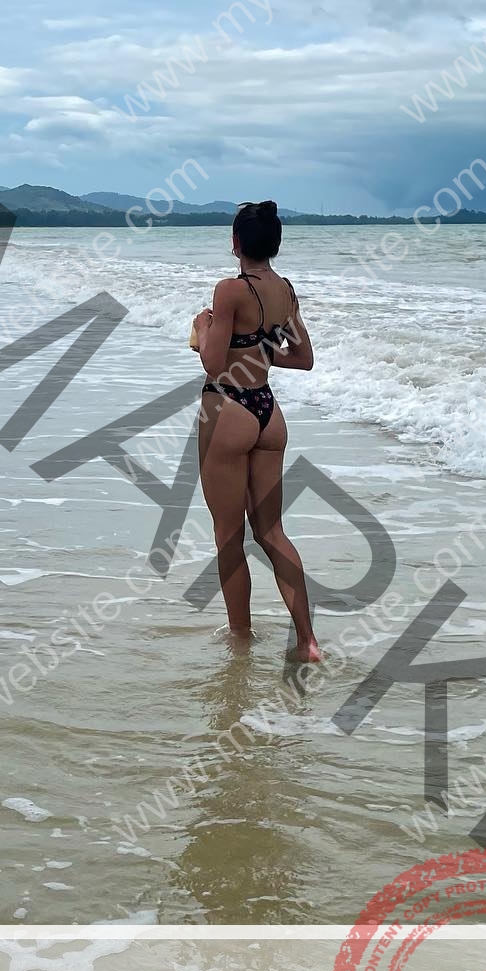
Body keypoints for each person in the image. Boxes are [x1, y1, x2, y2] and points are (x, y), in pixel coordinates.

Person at [192, 201, 320, 661]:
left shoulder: (229, 290)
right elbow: (303, 358)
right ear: (276, 245)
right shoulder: (286, 291)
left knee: (229, 534)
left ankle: (240, 642)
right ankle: (307, 641)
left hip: (227, 408)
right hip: (268, 412)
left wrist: (205, 326)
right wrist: (262, 356)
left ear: (235, 243)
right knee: (272, 531)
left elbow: (211, 359)